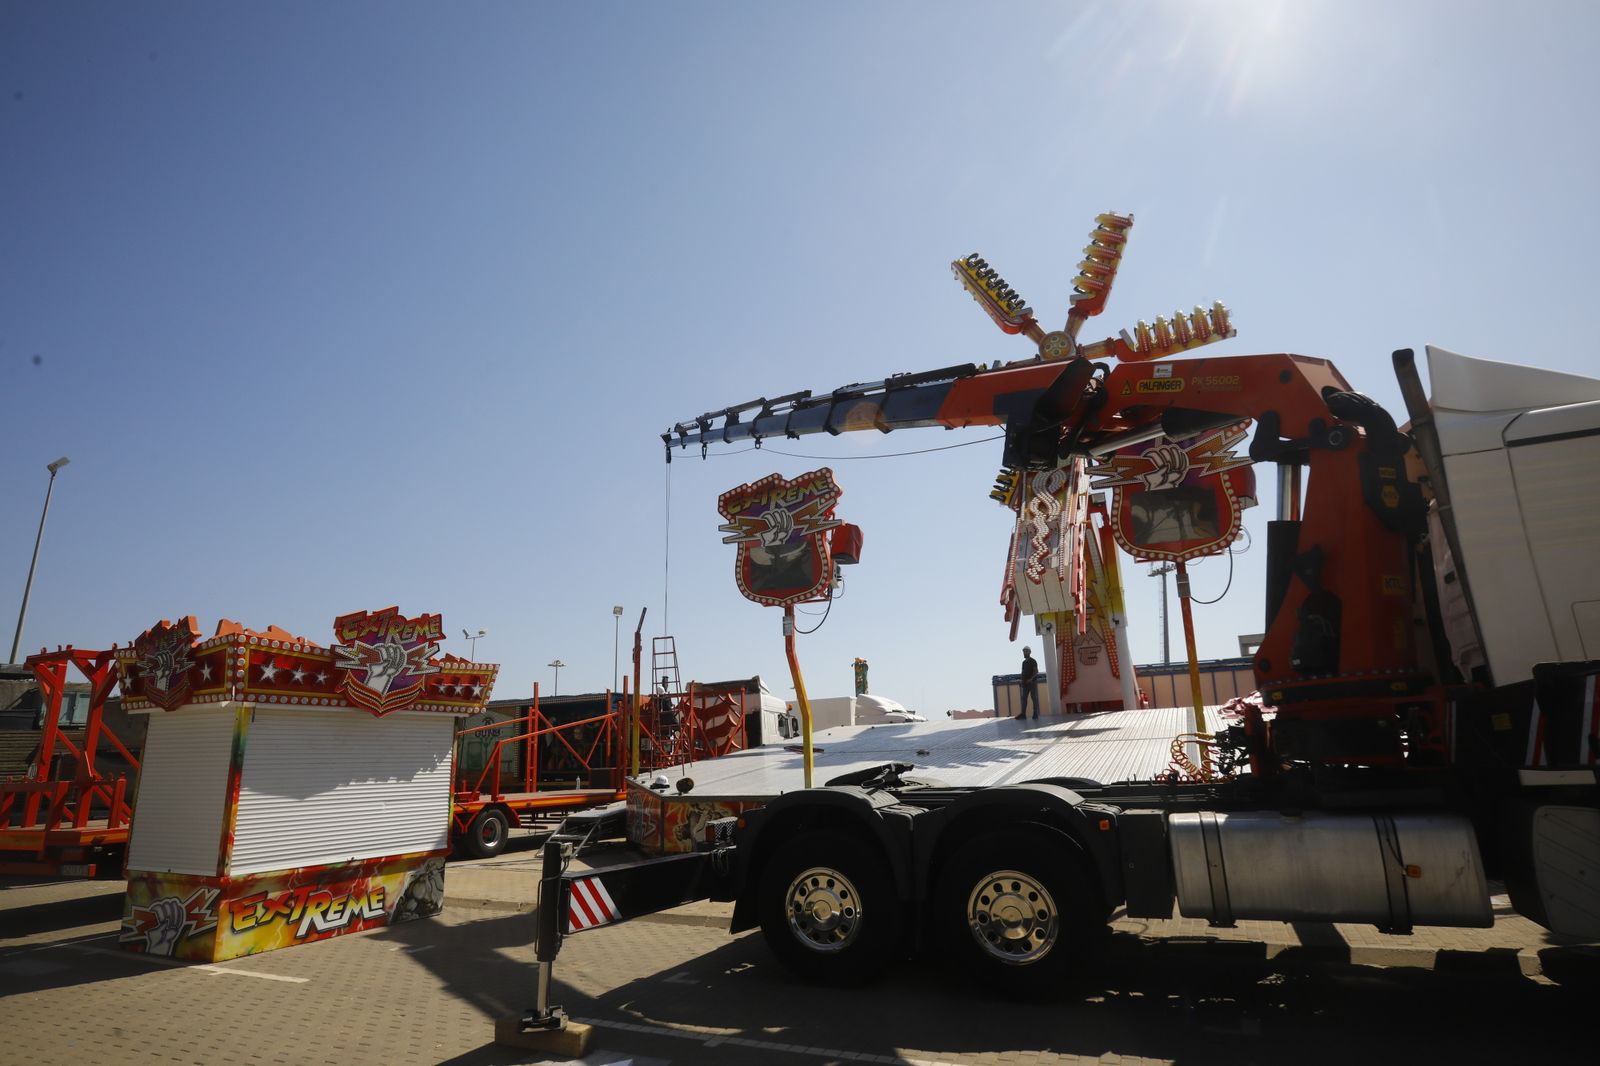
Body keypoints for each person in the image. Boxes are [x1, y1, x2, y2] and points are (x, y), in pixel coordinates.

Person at [1017, 646, 1039, 719]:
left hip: (1032, 683)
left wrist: (1031, 679)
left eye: (1026, 651)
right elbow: (1023, 672)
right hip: (1025, 683)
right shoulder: (1024, 662)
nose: (1024, 653)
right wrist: (1021, 680)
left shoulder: (1033, 661)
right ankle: (1023, 714)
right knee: (1024, 699)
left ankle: (1035, 713)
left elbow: (1036, 671)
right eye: (1024, 651)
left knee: (1034, 698)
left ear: (1029, 652)